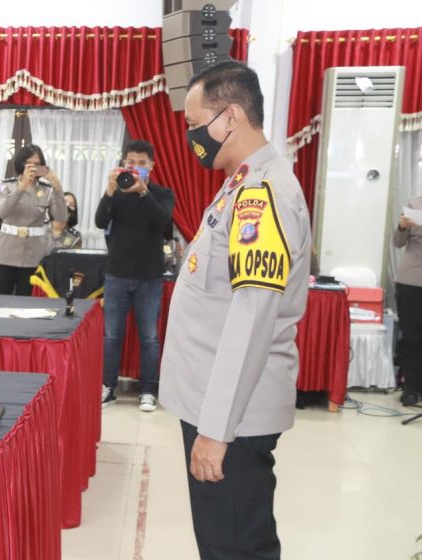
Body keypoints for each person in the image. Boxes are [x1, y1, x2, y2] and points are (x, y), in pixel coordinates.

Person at [159, 60, 311, 559]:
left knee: (235, 547)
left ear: (229, 117)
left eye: (193, 123)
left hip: (231, 417)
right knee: (224, 542)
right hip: (216, 404)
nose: (191, 137)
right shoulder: (240, 183)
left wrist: (216, 430)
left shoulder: (261, 195)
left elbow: (251, 319)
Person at [95, 140, 174, 411]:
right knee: (111, 336)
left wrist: (143, 192)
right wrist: (108, 192)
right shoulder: (117, 192)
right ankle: (108, 387)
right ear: (123, 163)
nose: (136, 167)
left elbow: (163, 221)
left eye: (142, 163)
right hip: (116, 275)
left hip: (149, 277)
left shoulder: (162, 194)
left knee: (149, 338)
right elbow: (99, 222)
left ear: (152, 165)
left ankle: (148, 390)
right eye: (131, 163)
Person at [0, 145, 68, 294]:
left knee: (28, 303)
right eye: (29, 164)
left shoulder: (47, 189)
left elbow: (61, 217)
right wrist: (22, 187)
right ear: (21, 164)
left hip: (34, 257)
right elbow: (2, 212)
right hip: (5, 254)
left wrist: (58, 190)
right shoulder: (6, 185)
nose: (33, 168)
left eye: (37, 164)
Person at [394, 198, 422, 406]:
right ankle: (410, 389)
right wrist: (402, 227)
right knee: (411, 337)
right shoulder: (415, 206)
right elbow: (398, 242)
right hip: (411, 281)